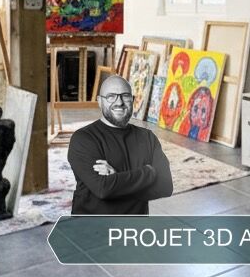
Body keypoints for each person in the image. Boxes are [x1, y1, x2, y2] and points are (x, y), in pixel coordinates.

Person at [68, 75, 173, 214]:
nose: (119, 102)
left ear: (133, 100)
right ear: (100, 101)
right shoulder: (83, 139)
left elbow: (165, 186)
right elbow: (103, 189)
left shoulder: (147, 137)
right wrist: (149, 172)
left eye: (125, 96)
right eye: (111, 96)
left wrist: (117, 177)